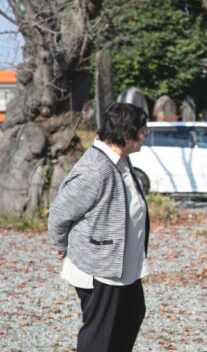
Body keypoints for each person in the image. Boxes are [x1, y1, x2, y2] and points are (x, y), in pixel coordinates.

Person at [48, 103, 150, 352]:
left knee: (130, 317)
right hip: (101, 267)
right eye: (142, 130)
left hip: (122, 266)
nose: (145, 135)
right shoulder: (96, 168)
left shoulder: (120, 160)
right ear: (126, 135)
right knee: (100, 337)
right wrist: (61, 245)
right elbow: (59, 214)